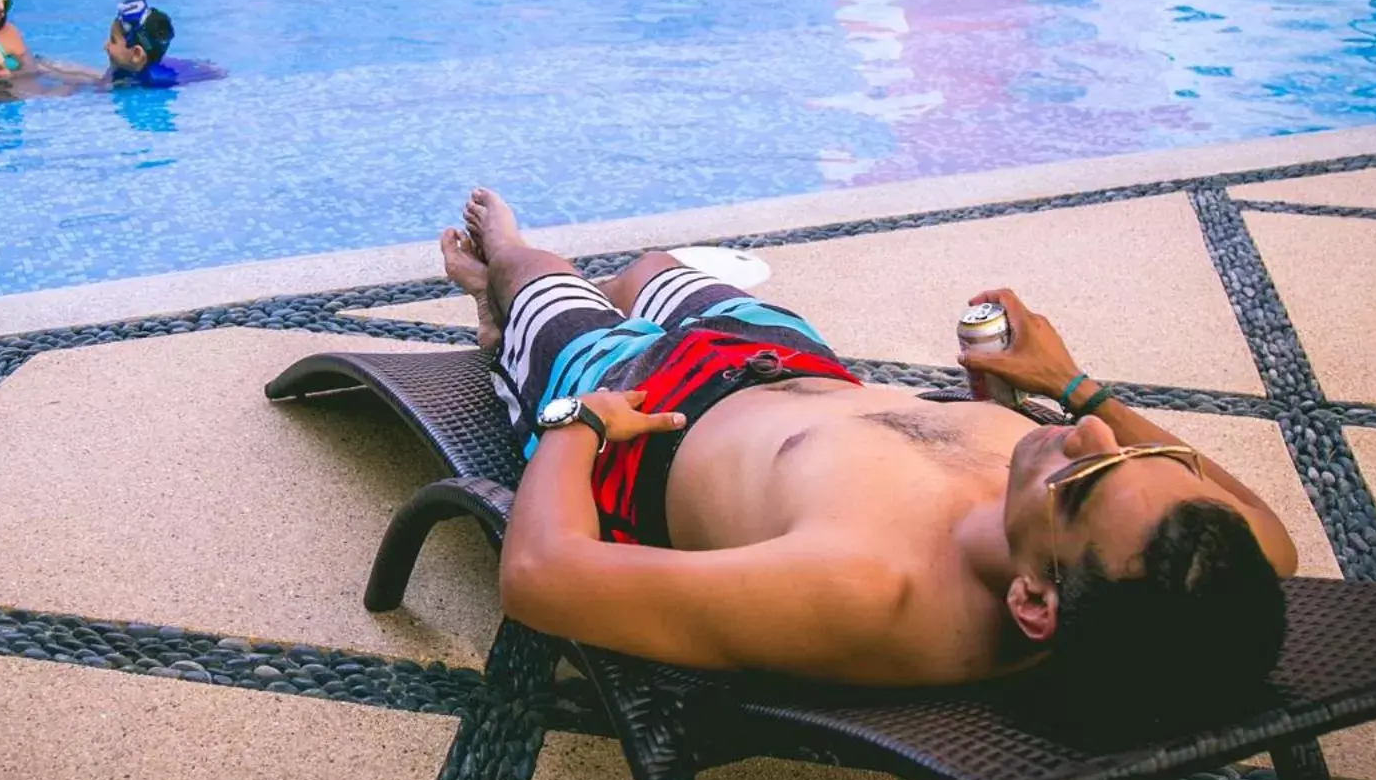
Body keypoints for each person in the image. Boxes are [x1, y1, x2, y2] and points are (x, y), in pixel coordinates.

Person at [441, 188, 1298, 715]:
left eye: (1081, 477)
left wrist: (575, 427)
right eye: (1133, 455)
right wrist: (1069, 382)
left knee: (530, 261)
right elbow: (1274, 534)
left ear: (1035, 602)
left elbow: (541, 579)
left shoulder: (865, 587)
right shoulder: (1183, 570)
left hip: (635, 402)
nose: (1095, 437)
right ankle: (552, 305)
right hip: (783, 355)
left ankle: (504, 299)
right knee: (649, 267)